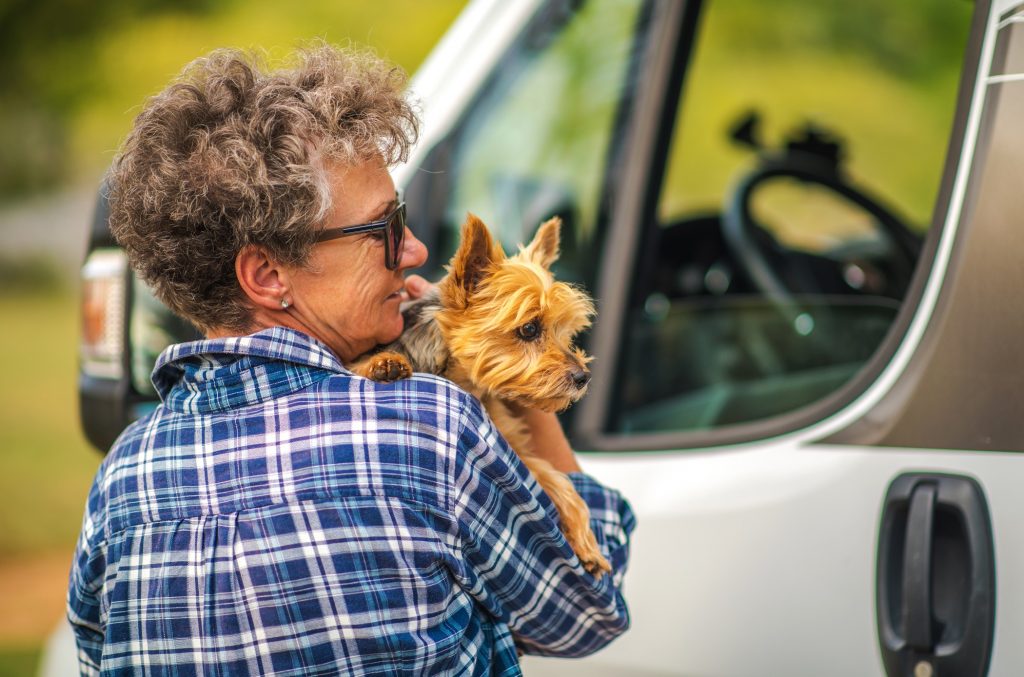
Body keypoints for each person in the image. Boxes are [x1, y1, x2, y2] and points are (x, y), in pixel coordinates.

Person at [67, 44, 634, 676]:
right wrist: (514, 387)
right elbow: (590, 611)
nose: (415, 251)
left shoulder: (123, 483)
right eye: (383, 229)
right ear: (267, 274)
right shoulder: (433, 431)